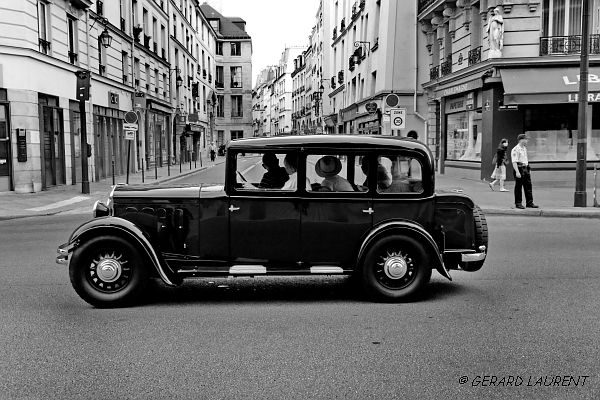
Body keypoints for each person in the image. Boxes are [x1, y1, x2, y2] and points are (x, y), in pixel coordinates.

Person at [511, 134, 538, 209]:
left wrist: (528, 169)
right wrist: (517, 172)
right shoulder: (515, 149)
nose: (527, 141)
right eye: (526, 139)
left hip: (525, 168)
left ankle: (529, 202)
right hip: (519, 168)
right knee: (518, 187)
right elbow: (514, 162)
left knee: (528, 186)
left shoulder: (524, 148)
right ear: (521, 140)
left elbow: (525, 159)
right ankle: (518, 203)